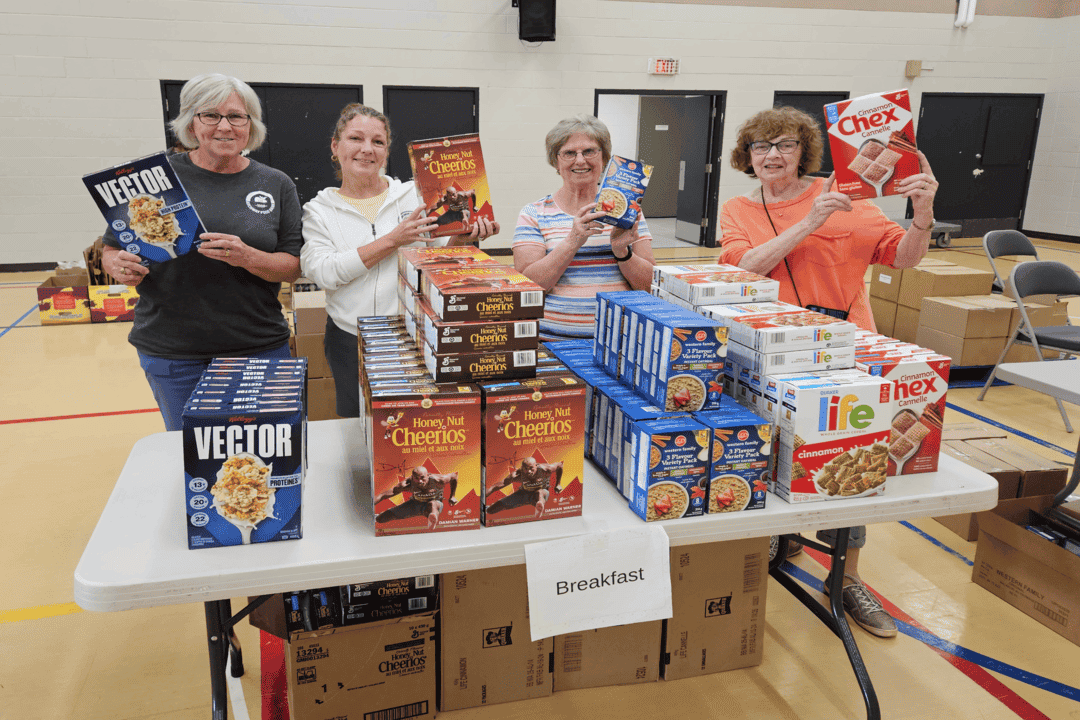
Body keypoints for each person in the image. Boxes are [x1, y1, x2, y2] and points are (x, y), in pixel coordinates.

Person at [719, 106, 939, 638]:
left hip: (844, 352)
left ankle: (846, 575)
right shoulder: (738, 209)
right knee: (765, 448)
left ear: (805, 152)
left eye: (786, 145)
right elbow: (743, 267)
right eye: (761, 147)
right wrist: (811, 222)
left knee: (851, 455)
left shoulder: (851, 199)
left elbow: (904, 259)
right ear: (747, 157)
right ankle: (778, 533)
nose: (773, 155)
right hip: (767, 350)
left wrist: (923, 212)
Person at [102, 73, 304, 432]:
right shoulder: (156, 179)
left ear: (250, 125)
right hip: (174, 351)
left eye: (237, 116)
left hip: (257, 345)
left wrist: (247, 256)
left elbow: (292, 268)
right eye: (210, 115)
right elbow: (112, 248)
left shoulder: (276, 183)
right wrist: (118, 265)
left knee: (268, 456)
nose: (224, 126)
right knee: (195, 458)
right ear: (191, 124)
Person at [301, 104, 499, 417]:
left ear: (386, 151)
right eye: (356, 138)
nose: (367, 150)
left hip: (415, 337)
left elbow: (440, 261)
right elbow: (324, 272)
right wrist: (393, 240)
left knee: (415, 426)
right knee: (359, 425)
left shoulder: (415, 196)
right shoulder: (319, 209)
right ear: (336, 147)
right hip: (351, 341)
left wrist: (464, 237)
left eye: (378, 142)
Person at [513, 114, 655, 341]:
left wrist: (622, 252)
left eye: (589, 151)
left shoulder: (626, 211)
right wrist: (572, 241)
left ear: (604, 158)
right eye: (569, 153)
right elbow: (528, 289)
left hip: (618, 344)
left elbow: (650, 286)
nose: (580, 161)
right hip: (552, 343)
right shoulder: (534, 213)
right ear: (556, 162)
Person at [374, 466, 458, 530]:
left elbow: (454, 476)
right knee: (381, 519)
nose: (420, 481)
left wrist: (452, 496)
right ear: (412, 478)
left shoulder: (439, 480)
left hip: (434, 504)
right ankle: (378, 517)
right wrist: (369, 503)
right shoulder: (407, 485)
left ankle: (432, 519)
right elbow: (383, 495)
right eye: (416, 479)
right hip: (415, 504)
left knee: (432, 504)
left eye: (422, 478)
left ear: (428, 475)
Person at [486, 457, 564, 519]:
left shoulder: (546, 469)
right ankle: (489, 509)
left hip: (540, 493)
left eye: (531, 468)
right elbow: (495, 486)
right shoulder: (517, 476)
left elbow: (560, 465)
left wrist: (558, 484)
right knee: (491, 510)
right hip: (524, 493)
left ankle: (539, 506)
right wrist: (482, 497)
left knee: (540, 492)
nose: (529, 471)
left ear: (536, 465)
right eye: (526, 469)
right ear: (522, 468)